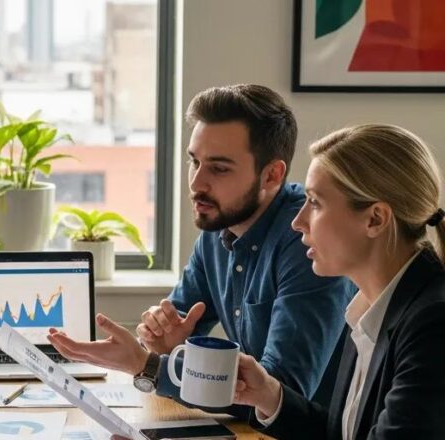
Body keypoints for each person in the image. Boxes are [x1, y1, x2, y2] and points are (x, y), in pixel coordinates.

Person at [47, 84, 354, 416]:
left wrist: (148, 366)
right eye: (195, 162)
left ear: (271, 175)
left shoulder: (306, 243)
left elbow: (280, 393)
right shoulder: (218, 228)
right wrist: (162, 339)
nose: (196, 184)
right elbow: (173, 333)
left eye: (219, 168)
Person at [234, 124, 445, 439]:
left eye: (315, 203)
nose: (298, 221)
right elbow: (343, 433)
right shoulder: (367, 308)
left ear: (375, 218)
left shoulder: (433, 323)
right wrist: (269, 394)